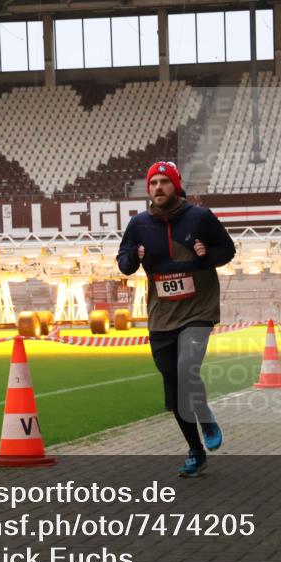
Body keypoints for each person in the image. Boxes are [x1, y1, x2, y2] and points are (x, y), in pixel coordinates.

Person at [117, 161, 236, 477]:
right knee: (174, 384)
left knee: (187, 369)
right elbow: (124, 264)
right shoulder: (139, 224)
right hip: (161, 318)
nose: (158, 187)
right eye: (153, 182)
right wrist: (134, 257)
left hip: (198, 311)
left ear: (176, 185)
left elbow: (227, 250)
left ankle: (205, 416)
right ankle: (196, 451)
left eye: (164, 182)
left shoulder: (200, 217)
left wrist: (205, 255)